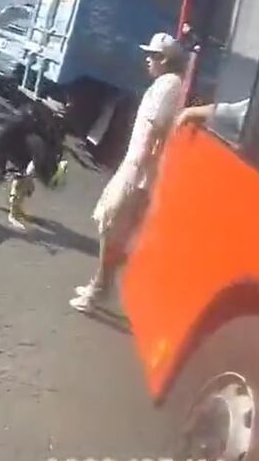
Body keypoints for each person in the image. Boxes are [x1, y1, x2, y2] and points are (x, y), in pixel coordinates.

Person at [70, 33, 186, 313]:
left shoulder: (168, 85)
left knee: (112, 227)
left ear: (165, 60)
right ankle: (100, 284)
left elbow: (157, 131)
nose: (148, 59)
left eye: (154, 55)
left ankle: (99, 290)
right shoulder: (164, 84)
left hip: (139, 172)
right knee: (111, 226)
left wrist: (139, 173)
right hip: (136, 168)